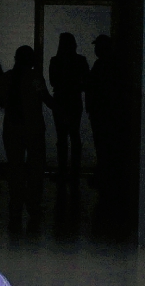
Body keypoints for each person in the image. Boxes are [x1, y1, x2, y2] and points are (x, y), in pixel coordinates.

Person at [0, 45, 53, 230]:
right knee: (35, 167)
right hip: (33, 128)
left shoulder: (7, 78)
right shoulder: (35, 78)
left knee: (15, 167)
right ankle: (33, 205)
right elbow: (46, 98)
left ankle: (16, 206)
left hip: (12, 127)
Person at [48, 33, 90, 190]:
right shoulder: (80, 61)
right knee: (74, 134)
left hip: (60, 100)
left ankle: (62, 170)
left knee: (62, 136)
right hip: (74, 100)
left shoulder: (55, 61)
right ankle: (74, 171)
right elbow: (87, 82)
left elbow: (53, 81)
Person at [86, 34, 121, 201]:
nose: (95, 49)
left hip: (103, 113)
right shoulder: (110, 63)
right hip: (105, 113)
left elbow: (95, 88)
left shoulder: (103, 65)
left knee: (103, 145)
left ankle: (104, 178)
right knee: (105, 146)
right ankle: (105, 177)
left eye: (97, 46)